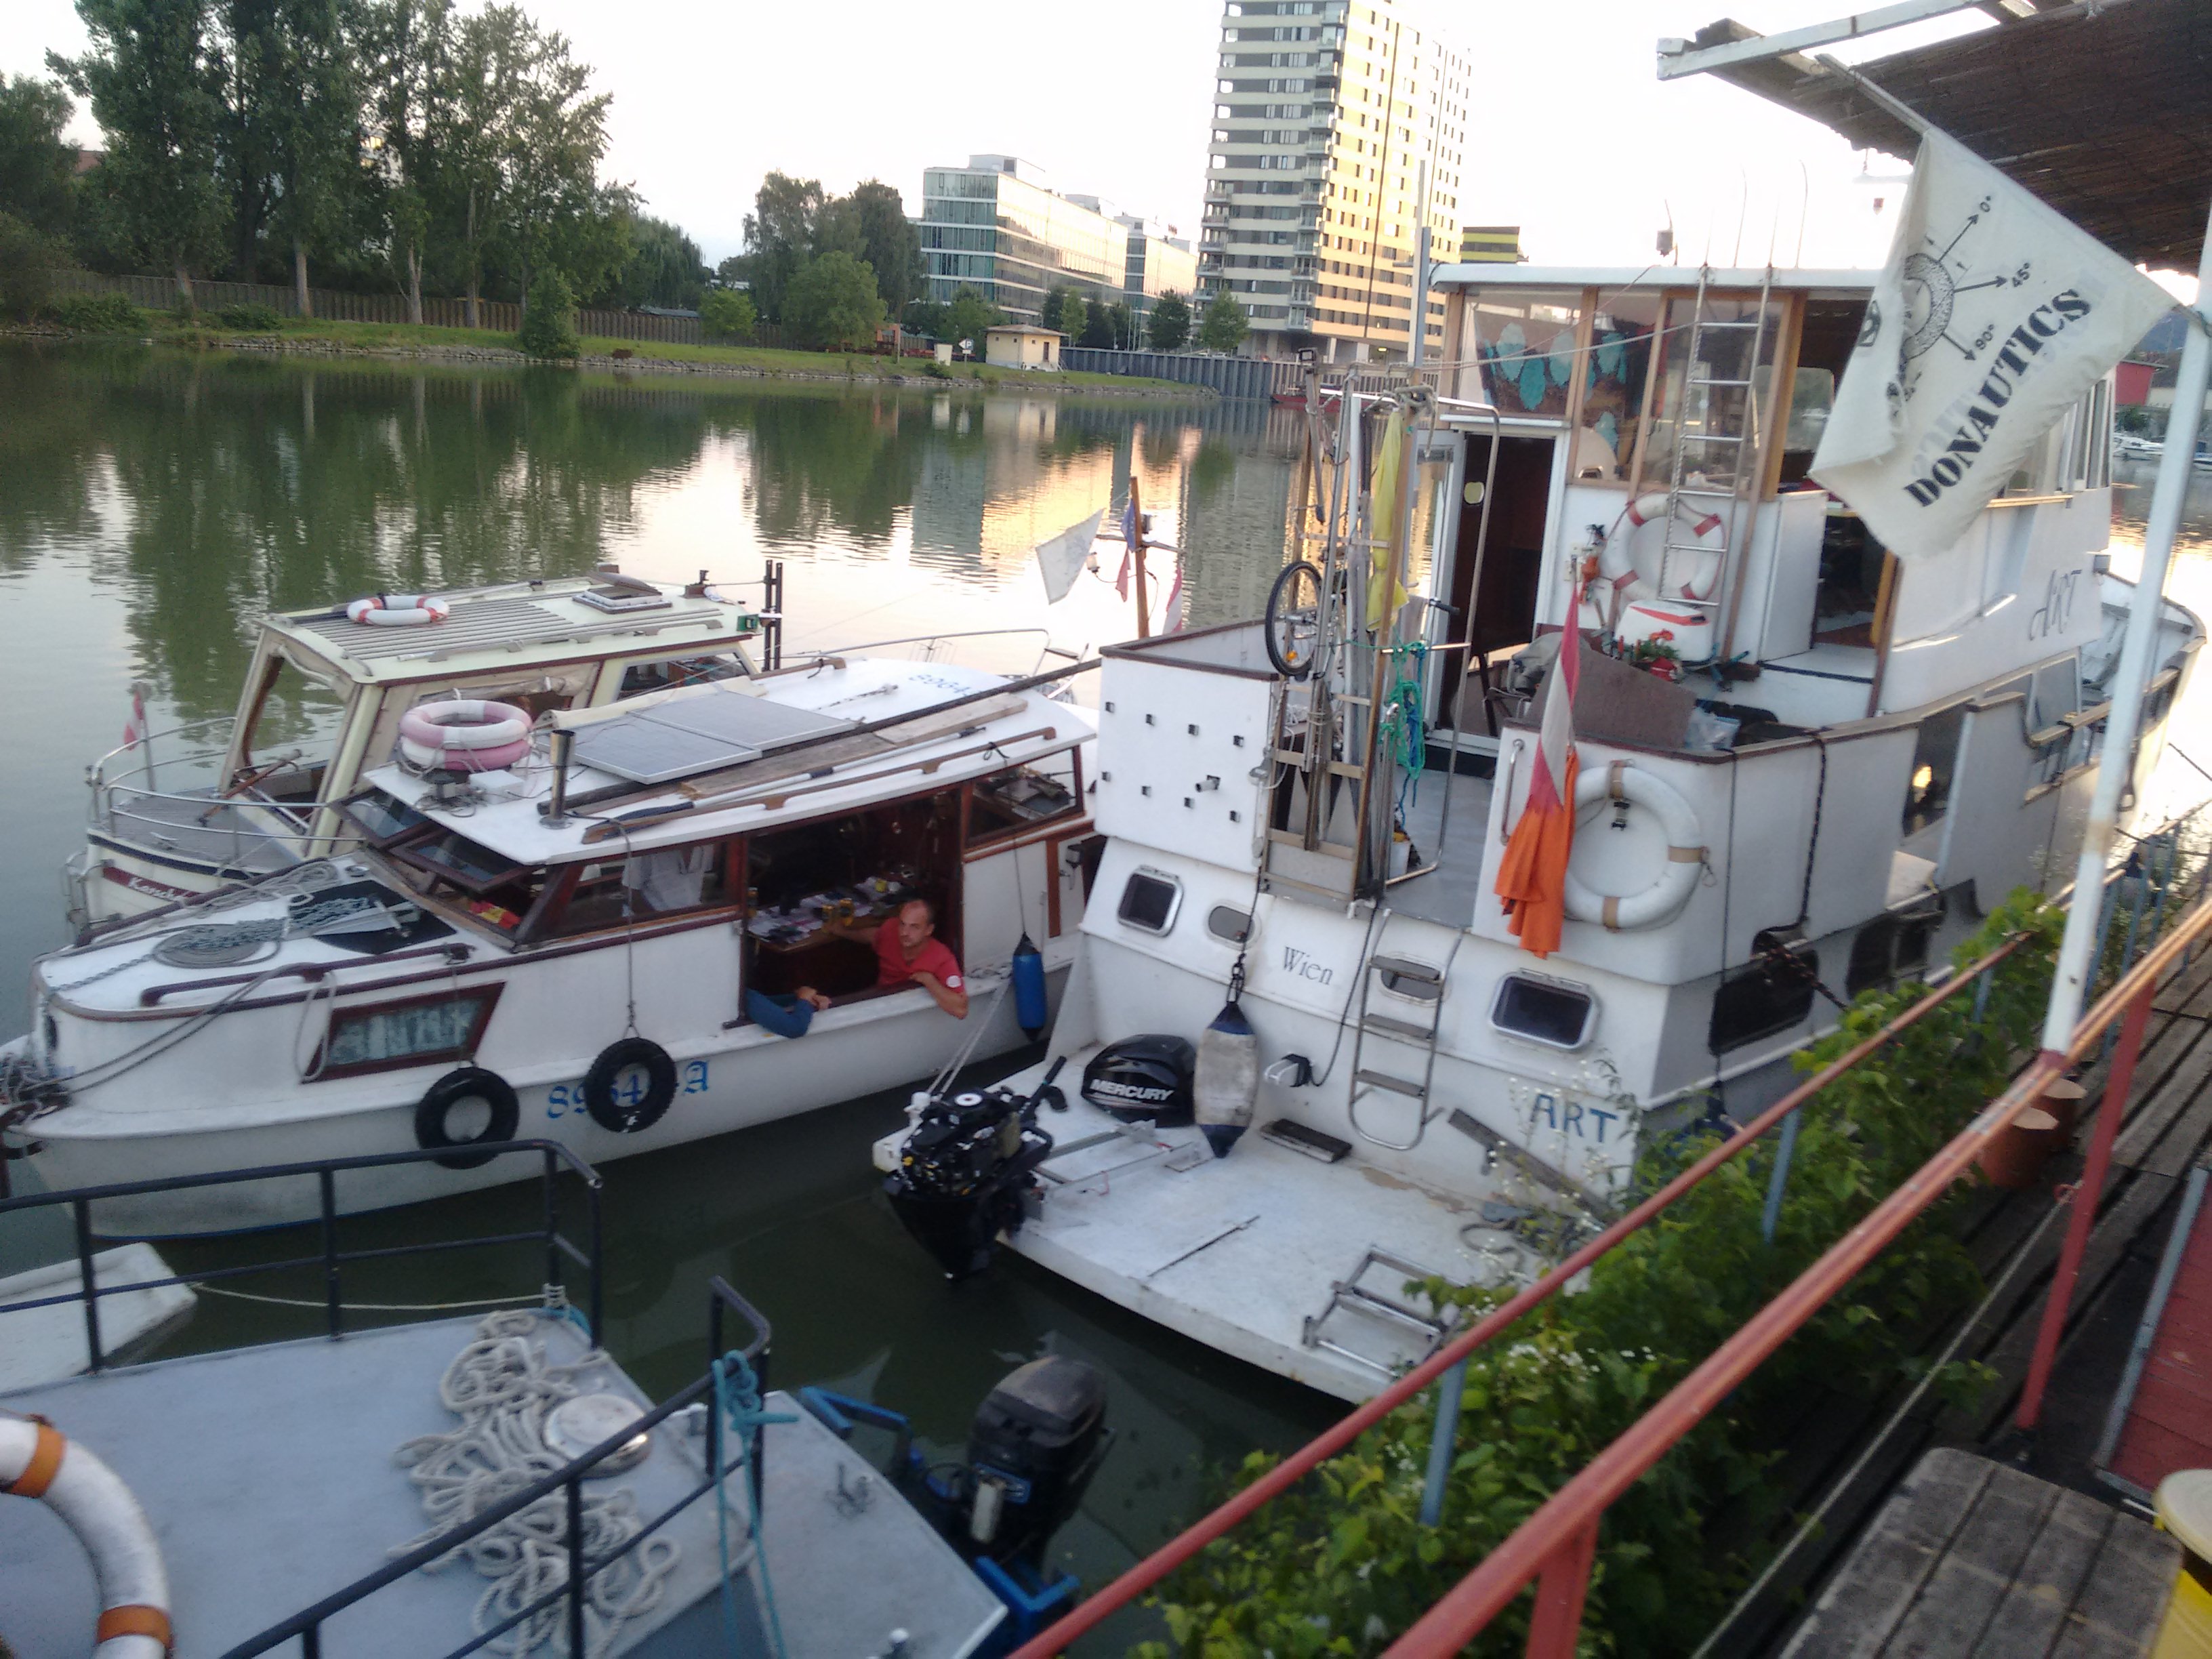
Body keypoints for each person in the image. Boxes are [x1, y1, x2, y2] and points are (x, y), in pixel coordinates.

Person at [799, 897, 968, 1019]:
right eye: (903, 924)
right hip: (877, 1000)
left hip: (904, 1011)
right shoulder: (890, 930)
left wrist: (930, 981)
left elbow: (961, 1010)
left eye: (914, 927)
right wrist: (841, 931)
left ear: (928, 930)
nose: (904, 933)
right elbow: (873, 936)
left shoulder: (942, 958)